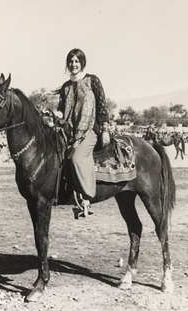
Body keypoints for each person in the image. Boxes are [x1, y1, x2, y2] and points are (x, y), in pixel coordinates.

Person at [57, 48, 110, 210]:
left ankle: (87, 198)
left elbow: (102, 106)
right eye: (71, 61)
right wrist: (52, 113)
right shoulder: (66, 86)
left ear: (82, 63)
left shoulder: (92, 80)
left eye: (77, 61)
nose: (73, 64)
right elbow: (61, 110)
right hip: (70, 132)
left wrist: (105, 129)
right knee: (62, 158)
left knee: (76, 159)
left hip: (90, 129)